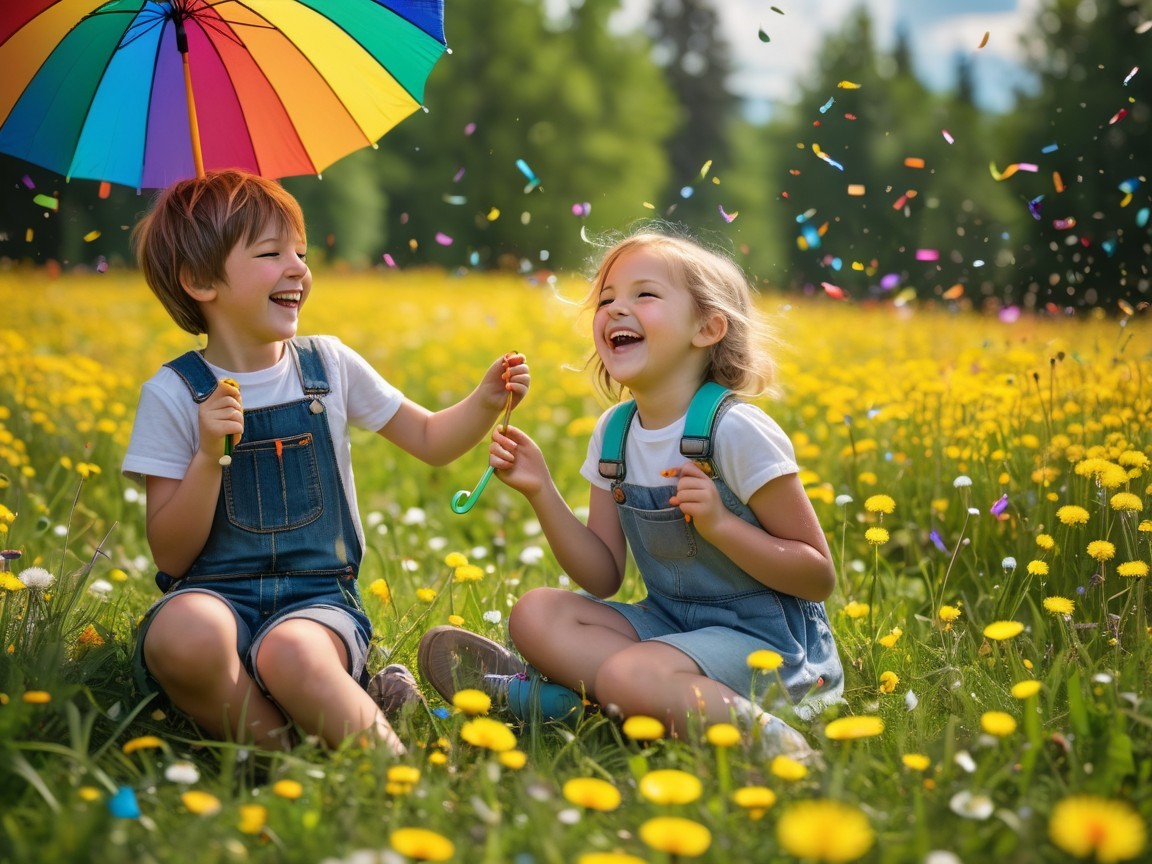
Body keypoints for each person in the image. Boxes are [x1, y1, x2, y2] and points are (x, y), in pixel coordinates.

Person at [122, 169, 529, 755]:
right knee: (182, 636)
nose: (298, 268)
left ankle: (394, 773)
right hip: (212, 596)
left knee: (291, 653)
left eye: (300, 252)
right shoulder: (173, 393)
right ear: (200, 280)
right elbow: (171, 553)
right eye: (271, 253)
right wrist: (210, 456)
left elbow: (432, 440)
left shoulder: (328, 366)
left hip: (316, 602)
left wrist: (485, 400)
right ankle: (287, 759)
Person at [419, 225, 841, 755]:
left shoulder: (735, 431)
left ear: (708, 327)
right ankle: (619, 698)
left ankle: (775, 744)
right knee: (535, 615)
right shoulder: (615, 434)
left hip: (769, 649)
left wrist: (721, 526)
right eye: (607, 298)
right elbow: (602, 576)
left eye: (644, 294)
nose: (616, 309)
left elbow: (816, 576)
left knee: (628, 673)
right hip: (672, 628)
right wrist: (541, 490)